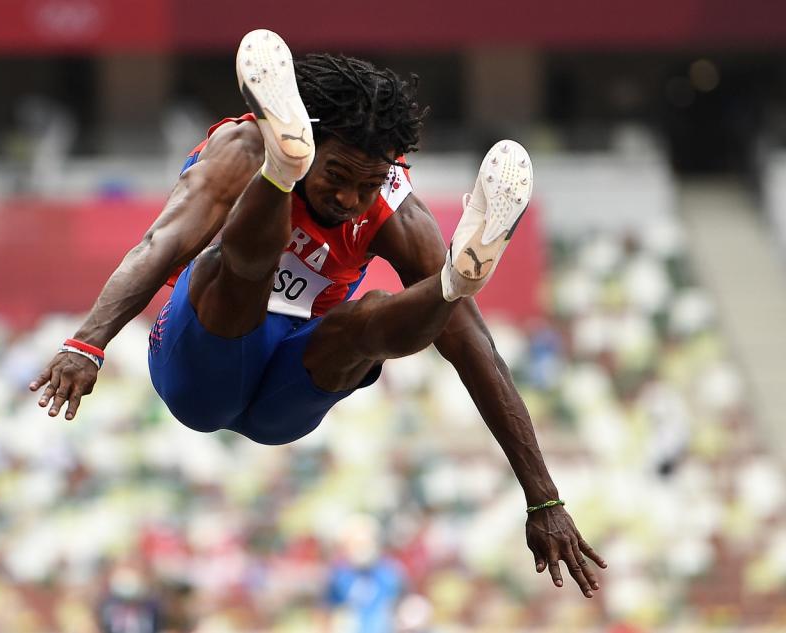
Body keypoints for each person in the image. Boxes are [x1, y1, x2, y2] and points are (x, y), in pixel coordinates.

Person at [30, 29, 606, 597]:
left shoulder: (394, 209)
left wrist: (543, 497)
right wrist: (87, 343)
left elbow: (473, 347)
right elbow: (162, 243)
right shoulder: (240, 147)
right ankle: (280, 176)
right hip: (201, 361)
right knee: (233, 268)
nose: (351, 199)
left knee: (369, 319)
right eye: (335, 176)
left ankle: (457, 277)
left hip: (290, 382)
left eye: (369, 183)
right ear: (308, 137)